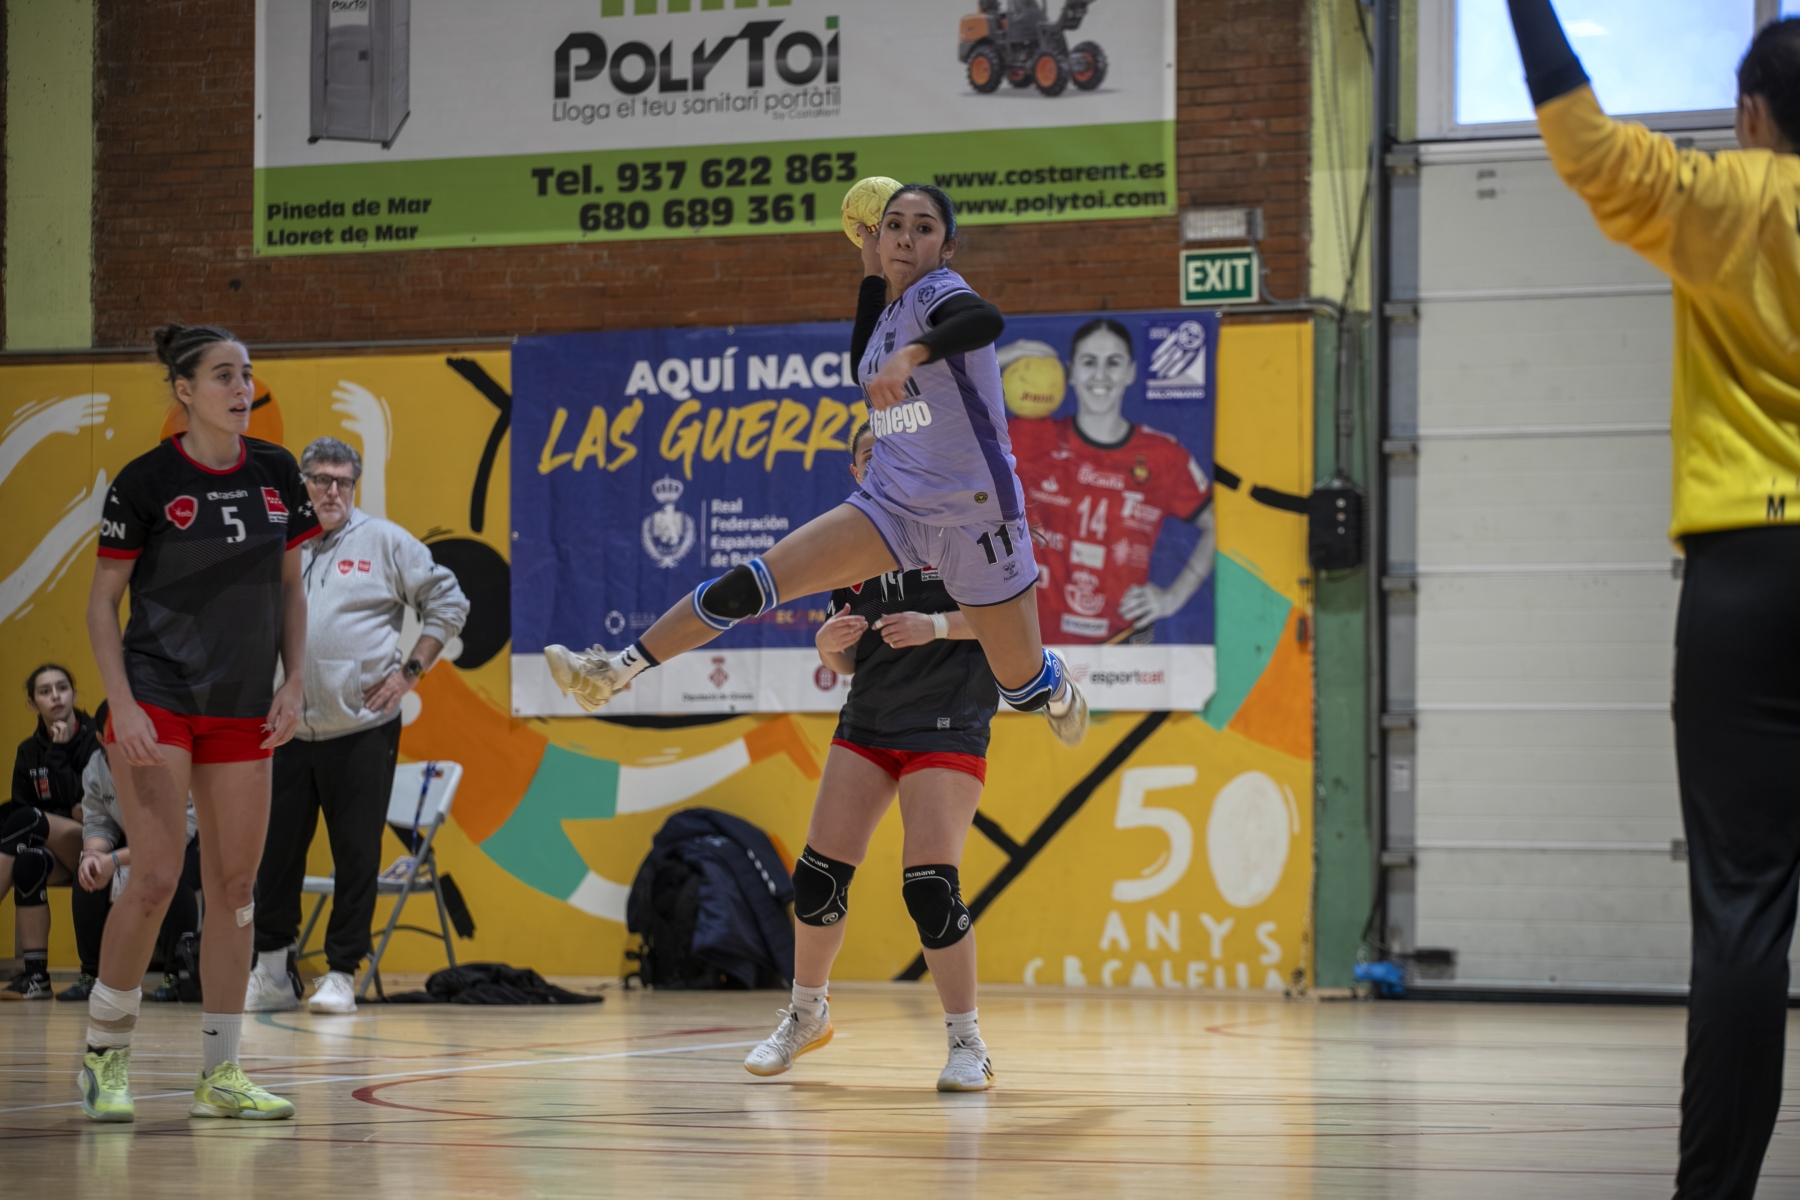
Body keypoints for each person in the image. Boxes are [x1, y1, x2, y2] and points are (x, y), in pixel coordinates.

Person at [1502, 6, 1800, 1196]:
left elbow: (1582, 141)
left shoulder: (1721, 194)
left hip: (1748, 572)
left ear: (1750, 114)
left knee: (1743, 909)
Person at [543, 184, 1089, 746]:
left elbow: (984, 319)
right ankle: (613, 672)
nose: (906, 237)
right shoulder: (889, 315)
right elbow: (863, 363)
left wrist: (911, 355)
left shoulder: (939, 293)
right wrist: (871, 269)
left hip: (976, 518)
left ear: (946, 247)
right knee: (752, 583)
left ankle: (1055, 684)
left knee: (1020, 686)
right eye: (894, 225)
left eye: (923, 228)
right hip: (894, 507)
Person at [79, 322, 318, 1123]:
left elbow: (291, 588)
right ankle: (104, 1059)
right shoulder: (145, 480)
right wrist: (120, 703)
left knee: (236, 888)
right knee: (153, 879)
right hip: (158, 697)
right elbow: (103, 603)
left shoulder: (277, 472)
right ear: (185, 390)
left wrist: (294, 683)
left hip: (246, 704)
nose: (242, 388)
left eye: (246, 374)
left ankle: (221, 1074)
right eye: (224, 375)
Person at [744, 424, 999, 1091]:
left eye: (892, 452)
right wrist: (827, 644)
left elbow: (1012, 618)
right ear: (856, 471)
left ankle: (967, 1043)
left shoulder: (961, 522)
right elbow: (847, 661)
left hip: (948, 722)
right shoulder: (851, 546)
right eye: (868, 457)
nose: (881, 464)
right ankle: (807, 1015)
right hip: (869, 721)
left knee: (930, 886)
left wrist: (936, 625)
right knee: (817, 878)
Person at [247, 435, 468, 1016]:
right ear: (302, 483)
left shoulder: (386, 541)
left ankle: (341, 973)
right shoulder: (276, 539)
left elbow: (450, 602)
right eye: (321, 479)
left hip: (363, 727)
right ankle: (271, 971)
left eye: (344, 481)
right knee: (275, 854)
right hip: (284, 727)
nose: (333, 491)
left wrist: (410, 672)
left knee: (356, 853)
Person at [1006, 320, 1217, 644]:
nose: (1101, 375)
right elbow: (952, 424)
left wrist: (1172, 598)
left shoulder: (1163, 455)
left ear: (1130, 372)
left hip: (1121, 644)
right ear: (1070, 372)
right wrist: (1007, 354)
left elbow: (1216, 524)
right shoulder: (1033, 438)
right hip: (1034, 644)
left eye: (1113, 362)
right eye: (1089, 362)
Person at [2, 664, 103, 999]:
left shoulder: (95, 738)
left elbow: (87, 804)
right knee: (28, 862)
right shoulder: (28, 751)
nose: (56, 696)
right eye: (45, 692)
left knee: (27, 820)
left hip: (99, 842)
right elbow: (23, 808)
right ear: (33, 703)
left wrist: (58, 754)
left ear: (74, 692)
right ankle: (36, 977)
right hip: (57, 846)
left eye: (62, 687)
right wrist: (61, 813)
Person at [77, 738, 203, 1003]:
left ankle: (175, 975)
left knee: (168, 878)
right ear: (100, 737)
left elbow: (176, 836)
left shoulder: (167, 758)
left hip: (188, 844)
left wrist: (114, 860)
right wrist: (92, 856)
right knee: (88, 876)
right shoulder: (97, 766)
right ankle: (91, 974)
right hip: (132, 843)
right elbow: (98, 821)